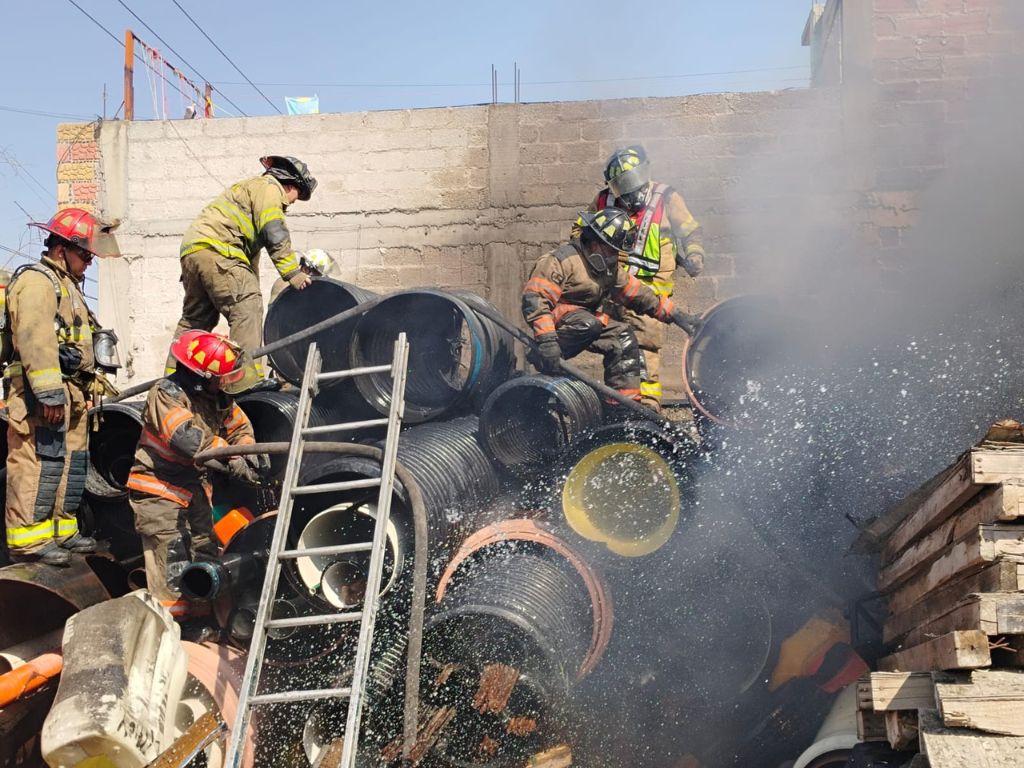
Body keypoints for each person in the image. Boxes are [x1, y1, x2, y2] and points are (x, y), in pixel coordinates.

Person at [4, 208, 121, 566]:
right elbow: (35, 340)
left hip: (70, 393)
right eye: (84, 254)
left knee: (70, 463)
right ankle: (27, 540)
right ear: (61, 249)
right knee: (37, 463)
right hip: (40, 394)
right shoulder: (38, 282)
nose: (89, 263)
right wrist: (49, 394)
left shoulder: (68, 286)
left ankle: (61, 530)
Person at [129, 330, 267, 617]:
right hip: (160, 491)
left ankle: (202, 621)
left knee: (205, 553)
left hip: (194, 490)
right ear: (200, 377)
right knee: (173, 561)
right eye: (219, 378)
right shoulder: (166, 395)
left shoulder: (217, 398)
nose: (224, 384)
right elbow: (189, 440)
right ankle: (174, 631)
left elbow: (240, 429)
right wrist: (234, 461)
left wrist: (246, 452)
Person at [523, 207, 701, 404]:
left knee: (622, 336)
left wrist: (676, 315)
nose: (614, 257)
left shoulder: (609, 268)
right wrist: (547, 341)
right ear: (595, 241)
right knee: (589, 324)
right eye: (611, 250)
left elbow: (637, 294)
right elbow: (535, 301)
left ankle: (622, 408)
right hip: (557, 322)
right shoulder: (561, 261)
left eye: (617, 252)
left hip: (587, 320)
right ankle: (543, 358)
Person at [167, 155, 318, 385]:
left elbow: (250, 263)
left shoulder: (247, 192)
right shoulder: (269, 189)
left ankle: (172, 380)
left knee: (194, 320)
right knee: (247, 308)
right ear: (289, 185)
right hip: (220, 251)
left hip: (195, 251)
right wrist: (292, 273)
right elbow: (274, 229)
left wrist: (251, 288)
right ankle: (245, 380)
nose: (289, 205)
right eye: (293, 200)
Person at [580, 146, 707, 411]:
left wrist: (694, 255)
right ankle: (618, 405)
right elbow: (581, 230)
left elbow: (690, 232)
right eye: (621, 188)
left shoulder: (666, 197)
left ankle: (648, 407)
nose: (629, 195)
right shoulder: (604, 200)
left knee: (646, 348)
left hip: (651, 291)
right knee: (617, 347)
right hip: (613, 289)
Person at [269, 248, 334, 303]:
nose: (319, 280)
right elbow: (275, 313)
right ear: (306, 269)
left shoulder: (311, 289)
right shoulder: (283, 285)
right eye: (318, 275)